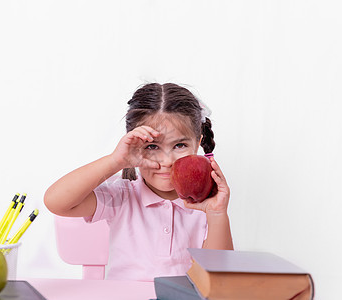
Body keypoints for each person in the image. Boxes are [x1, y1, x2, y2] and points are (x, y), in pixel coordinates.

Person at [44, 83, 233, 281]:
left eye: (180, 145)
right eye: (152, 146)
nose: (167, 161)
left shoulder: (204, 207)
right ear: (131, 145)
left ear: (198, 143)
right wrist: (115, 161)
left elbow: (219, 278)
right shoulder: (121, 195)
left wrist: (217, 213)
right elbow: (56, 201)